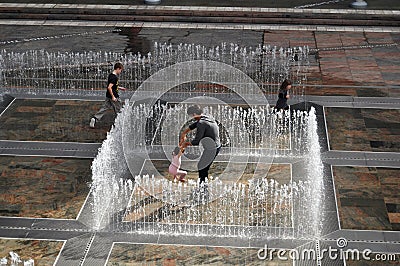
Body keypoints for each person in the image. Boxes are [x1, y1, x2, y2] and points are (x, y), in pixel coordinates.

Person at [180, 105, 221, 185]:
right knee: (203, 166)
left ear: (194, 114)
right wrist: (184, 133)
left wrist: (185, 144)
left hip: (212, 149)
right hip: (216, 146)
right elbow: (195, 124)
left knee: (202, 166)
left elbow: (197, 141)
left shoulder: (201, 123)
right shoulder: (207, 118)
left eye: (191, 116)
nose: (191, 118)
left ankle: (203, 186)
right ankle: (203, 184)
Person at [90, 62, 126, 128]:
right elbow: (109, 87)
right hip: (114, 96)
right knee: (120, 110)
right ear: (118, 69)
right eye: (121, 70)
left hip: (108, 96)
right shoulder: (114, 77)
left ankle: (95, 119)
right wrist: (113, 97)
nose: (120, 72)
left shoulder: (110, 75)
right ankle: (121, 124)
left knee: (104, 108)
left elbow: (112, 86)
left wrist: (120, 88)